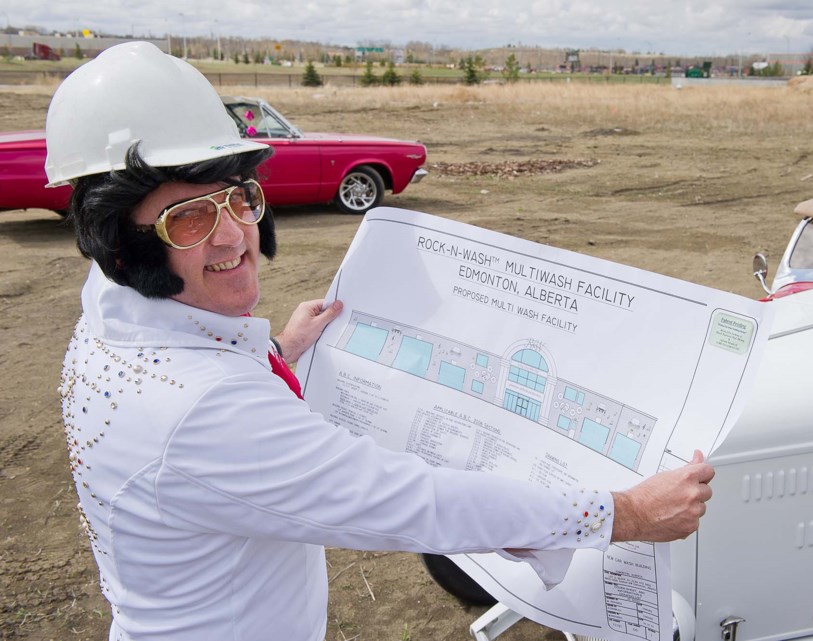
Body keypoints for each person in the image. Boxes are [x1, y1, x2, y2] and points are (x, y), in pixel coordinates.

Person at [52, 42, 714, 641]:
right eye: (188, 217)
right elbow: (413, 500)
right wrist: (621, 512)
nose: (234, 236)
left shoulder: (111, 305)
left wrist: (279, 349)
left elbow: (193, 424)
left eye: (237, 197)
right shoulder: (204, 412)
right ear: (121, 243)